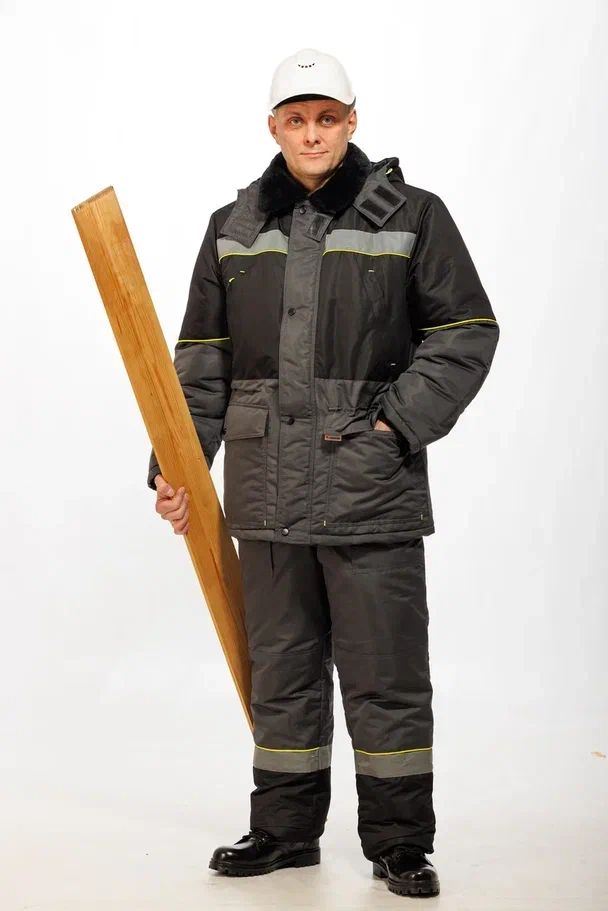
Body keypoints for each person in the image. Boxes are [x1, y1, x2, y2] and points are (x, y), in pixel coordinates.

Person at [147, 47, 499, 899]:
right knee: (283, 672)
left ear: (352, 121)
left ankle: (399, 842)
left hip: (369, 490)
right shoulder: (232, 227)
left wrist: (393, 425)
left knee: (386, 675)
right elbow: (201, 364)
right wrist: (175, 466)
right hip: (266, 494)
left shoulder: (412, 214)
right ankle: (283, 830)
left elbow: (465, 332)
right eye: (297, 120)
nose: (312, 134)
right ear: (273, 127)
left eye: (327, 118)